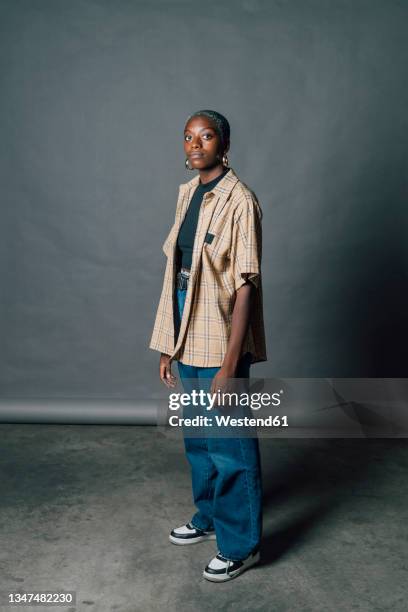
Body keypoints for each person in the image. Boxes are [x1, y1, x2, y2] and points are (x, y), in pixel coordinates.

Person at [149, 109, 267, 582]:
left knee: (230, 445)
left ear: (224, 144)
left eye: (206, 136)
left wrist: (230, 362)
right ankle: (211, 516)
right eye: (188, 137)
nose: (195, 144)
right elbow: (176, 273)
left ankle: (242, 545)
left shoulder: (241, 200)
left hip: (221, 331)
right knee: (198, 438)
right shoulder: (188, 194)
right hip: (185, 320)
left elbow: (245, 286)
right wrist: (168, 343)